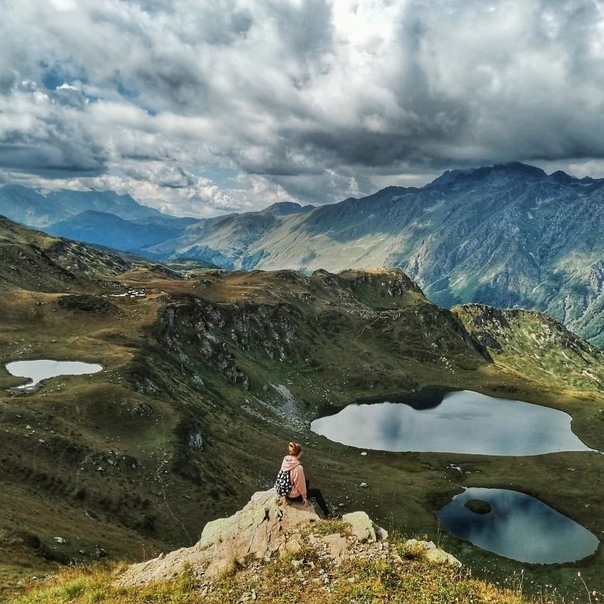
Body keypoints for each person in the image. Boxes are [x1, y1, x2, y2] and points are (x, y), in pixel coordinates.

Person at [278, 441, 336, 518]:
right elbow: (300, 485)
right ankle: (328, 514)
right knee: (317, 492)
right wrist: (304, 498)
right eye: (301, 452)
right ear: (299, 453)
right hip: (292, 495)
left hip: (285, 491)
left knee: (306, 481)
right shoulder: (298, 468)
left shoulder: (286, 460)